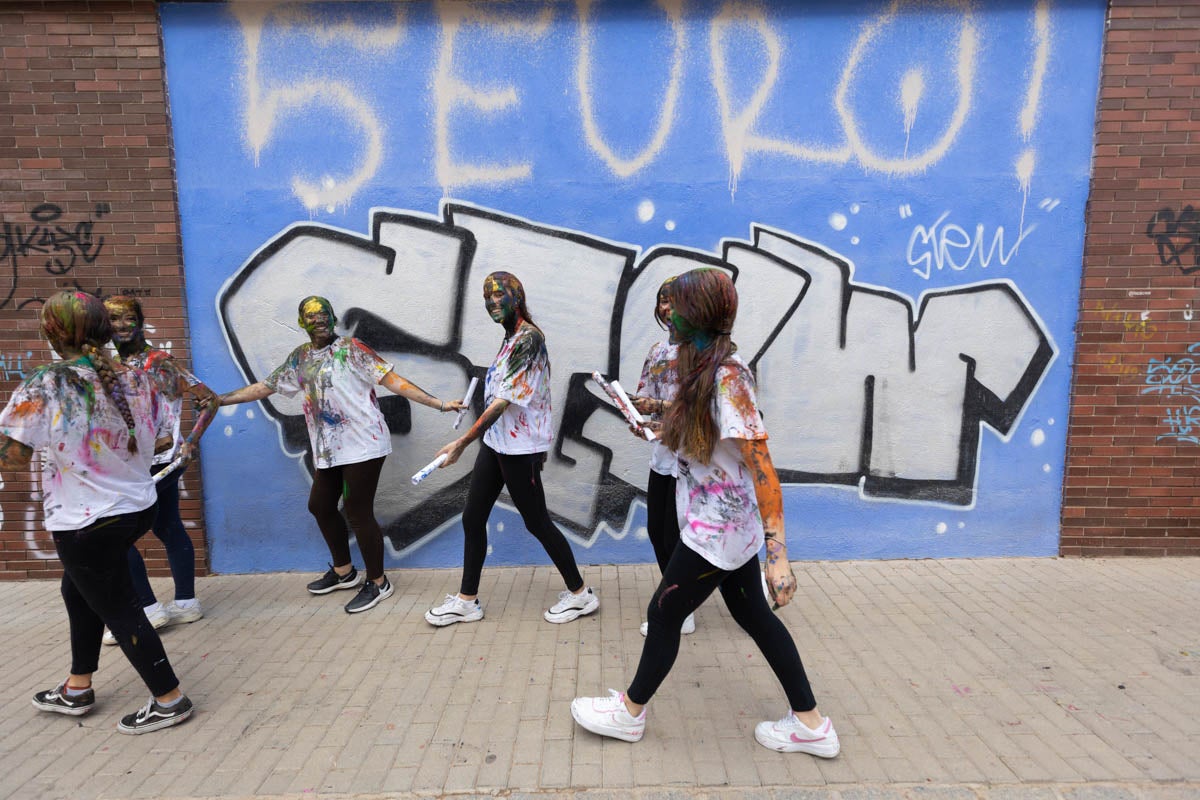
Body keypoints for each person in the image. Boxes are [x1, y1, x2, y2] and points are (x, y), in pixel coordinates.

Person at [570, 268, 839, 757]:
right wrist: (647, 414)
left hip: (719, 527)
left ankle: (629, 713)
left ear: (702, 315)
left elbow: (763, 468)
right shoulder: (700, 367)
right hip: (719, 523)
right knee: (755, 617)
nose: (668, 311)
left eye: (679, 304)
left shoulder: (729, 378)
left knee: (664, 610)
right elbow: (697, 426)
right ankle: (811, 725)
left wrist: (778, 555)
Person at [0, 291, 194, 734]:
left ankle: (170, 699)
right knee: (79, 591)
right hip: (133, 507)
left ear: (51, 331)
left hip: (87, 521)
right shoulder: (138, 378)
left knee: (121, 609)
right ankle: (76, 686)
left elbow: (10, 459)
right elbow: (163, 440)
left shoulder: (46, 383)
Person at [219, 296, 464, 614]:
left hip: (363, 445)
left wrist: (440, 404)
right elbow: (266, 387)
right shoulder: (301, 358)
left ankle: (378, 582)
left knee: (357, 511)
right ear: (301, 323)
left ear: (333, 319)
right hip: (329, 450)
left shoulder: (353, 349)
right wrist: (220, 400)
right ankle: (344, 572)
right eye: (311, 316)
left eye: (324, 315)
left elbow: (395, 382)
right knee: (319, 505)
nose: (318, 320)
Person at [424, 272, 599, 626]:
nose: (492, 302)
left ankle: (580, 595)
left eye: (498, 295)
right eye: (486, 297)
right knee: (473, 517)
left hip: (518, 450)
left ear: (516, 297)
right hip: (497, 443)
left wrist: (461, 442)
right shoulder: (511, 338)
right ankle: (467, 600)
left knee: (537, 522)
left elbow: (505, 401)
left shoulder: (528, 340)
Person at [99, 295, 218, 645]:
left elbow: (209, 399)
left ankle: (148, 609)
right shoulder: (111, 363)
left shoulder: (158, 362)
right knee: (167, 525)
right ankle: (185, 603)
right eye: (113, 319)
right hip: (134, 463)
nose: (120, 326)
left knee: (115, 536)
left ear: (140, 320)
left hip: (158, 466)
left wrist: (190, 442)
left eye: (127, 318)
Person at [627, 276, 695, 637]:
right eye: (661, 301)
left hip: (692, 461)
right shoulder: (656, 351)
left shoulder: (699, 353)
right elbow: (645, 394)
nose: (665, 308)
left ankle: (678, 608)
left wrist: (658, 409)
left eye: (672, 301)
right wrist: (638, 415)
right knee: (658, 532)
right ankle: (679, 602)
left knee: (679, 536)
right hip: (662, 457)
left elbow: (698, 408)